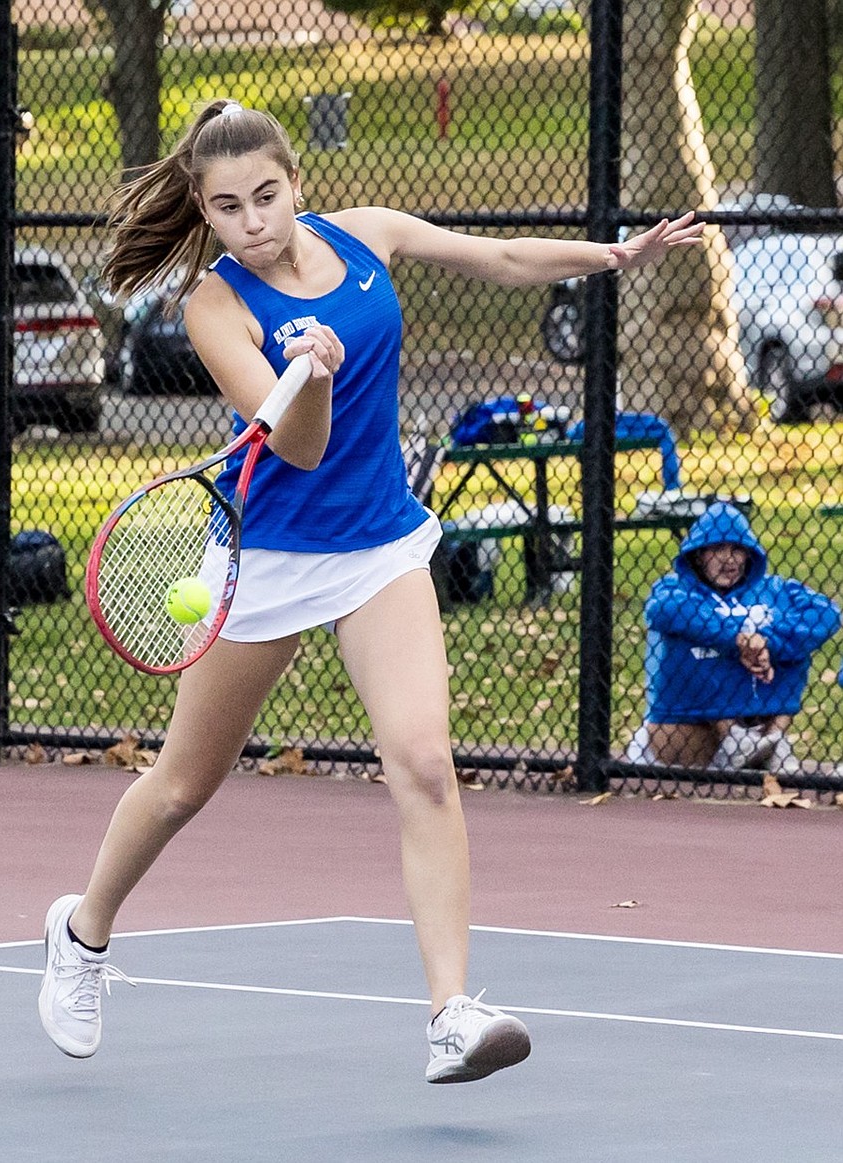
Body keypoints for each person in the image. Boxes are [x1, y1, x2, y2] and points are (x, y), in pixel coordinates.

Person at [39, 98, 704, 1083]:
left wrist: (611, 257)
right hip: (267, 559)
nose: (254, 220)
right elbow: (300, 450)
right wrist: (304, 373)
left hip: (379, 546)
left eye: (266, 195)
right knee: (182, 784)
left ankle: (448, 1013)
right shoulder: (213, 308)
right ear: (205, 212)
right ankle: (82, 933)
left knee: (424, 763)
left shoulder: (365, 237)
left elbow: (498, 258)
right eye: (228, 208)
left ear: (295, 182)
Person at [629, 502, 840, 773]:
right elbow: (663, 610)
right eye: (717, 549)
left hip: (758, 715)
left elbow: (826, 614)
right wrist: (737, 640)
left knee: (793, 647)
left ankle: (772, 740)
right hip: (688, 734)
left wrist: (767, 642)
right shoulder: (674, 587)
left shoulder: (775, 589)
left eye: (737, 549)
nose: (728, 559)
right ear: (698, 555)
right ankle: (733, 739)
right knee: (699, 646)